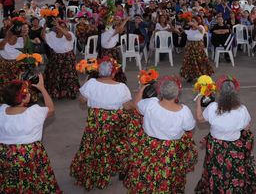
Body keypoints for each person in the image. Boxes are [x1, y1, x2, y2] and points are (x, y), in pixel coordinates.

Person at [124, 76, 197, 193]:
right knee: (168, 175)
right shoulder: (184, 111)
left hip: (149, 145)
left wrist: (142, 89)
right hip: (170, 149)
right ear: (177, 94)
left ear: (160, 93)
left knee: (146, 171)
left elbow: (136, 105)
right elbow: (190, 127)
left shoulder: (150, 104)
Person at [70, 58, 133, 190]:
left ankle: (91, 173)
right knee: (120, 143)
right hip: (114, 125)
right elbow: (128, 107)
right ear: (113, 73)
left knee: (92, 147)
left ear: (99, 71)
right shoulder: (122, 87)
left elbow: (82, 100)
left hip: (95, 125)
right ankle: (121, 168)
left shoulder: (91, 83)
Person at [195, 76, 256, 193]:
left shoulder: (213, 107)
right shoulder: (242, 109)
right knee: (234, 172)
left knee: (215, 171)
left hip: (216, 147)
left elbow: (200, 119)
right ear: (235, 92)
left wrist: (198, 103)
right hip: (235, 148)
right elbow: (246, 127)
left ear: (220, 92)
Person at [0, 75, 61, 193]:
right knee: (36, 178)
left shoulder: (2, 111)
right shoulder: (34, 112)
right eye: (27, 92)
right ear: (24, 98)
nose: (28, 93)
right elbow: (51, 109)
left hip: (5, 155)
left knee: (11, 180)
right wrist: (42, 88)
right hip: (30, 154)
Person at [44, 20, 80, 99]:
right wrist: (44, 26)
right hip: (56, 57)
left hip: (67, 57)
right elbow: (43, 36)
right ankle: (56, 93)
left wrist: (59, 26)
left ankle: (71, 93)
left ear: (66, 28)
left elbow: (68, 37)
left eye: (63, 27)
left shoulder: (69, 34)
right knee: (55, 76)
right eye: (58, 27)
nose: (60, 28)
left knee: (69, 76)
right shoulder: (52, 35)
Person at [180, 17, 214, 82]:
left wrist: (194, 25)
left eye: (193, 21)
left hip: (198, 46)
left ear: (197, 22)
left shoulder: (201, 27)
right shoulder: (189, 29)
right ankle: (190, 76)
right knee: (190, 62)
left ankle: (202, 76)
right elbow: (183, 32)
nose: (192, 22)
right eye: (191, 21)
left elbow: (201, 30)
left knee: (200, 61)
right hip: (190, 46)